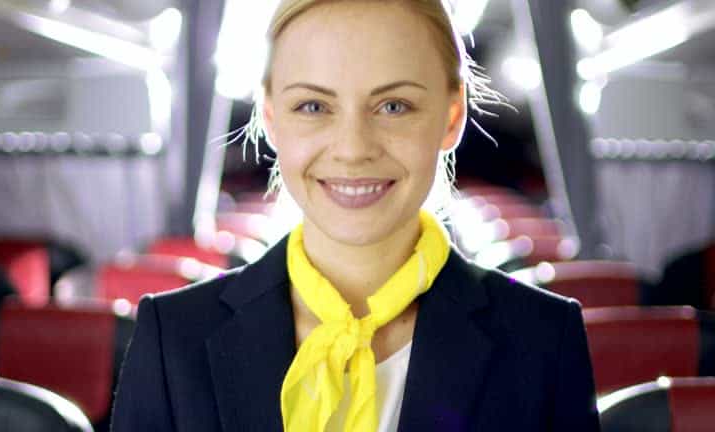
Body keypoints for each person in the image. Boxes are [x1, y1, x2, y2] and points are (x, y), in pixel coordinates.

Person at [111, 0, 601, 431]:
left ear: (452, 117)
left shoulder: (541, 341)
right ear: (272, 118)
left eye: (393, 105)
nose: (352, 148)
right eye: (313, 105)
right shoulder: (172, 338)